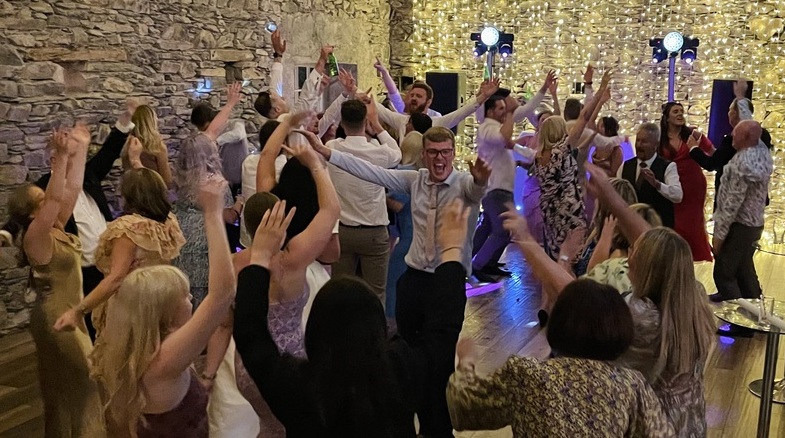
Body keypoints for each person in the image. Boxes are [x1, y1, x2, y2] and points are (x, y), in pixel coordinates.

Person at [234, 198, 474, 437]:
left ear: (316, 331)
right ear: (378, 329)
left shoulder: (299, 388)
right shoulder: (401, 372)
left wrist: (261, 256)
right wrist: (452, 252)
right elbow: (443, 329)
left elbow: (250, 335)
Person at [305, 126, 490, 437]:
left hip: (446, 284)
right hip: (414, 281)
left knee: (440, 358)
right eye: (433, 152)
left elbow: (477, 190)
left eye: (445, 152)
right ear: (424, 155)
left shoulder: (464, 184)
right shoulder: (414, 180)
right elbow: (372, 172)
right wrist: (327, 153)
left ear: (454, 153)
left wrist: (482, 179)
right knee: (407, 354)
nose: (439, 159)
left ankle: (437, 428)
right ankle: (406, 417)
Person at [505, 162, 715, 436]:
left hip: (649, 427)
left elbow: (574, 298)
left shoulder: (642, 318)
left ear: (644, 266)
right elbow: (661, 249)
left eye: (635, 255)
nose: (630, 259)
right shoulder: (695, 300)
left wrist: (526, 241)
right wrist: (610, 196)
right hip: (690, 425)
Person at [91, 176, 235, 437]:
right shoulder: (164, 360)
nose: (191, 299)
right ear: (164, 311)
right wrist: (213, 213)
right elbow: (222, 295)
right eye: (185, 297)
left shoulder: (129, 350)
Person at [446, 280, 675, 438]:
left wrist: (466, 362)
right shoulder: (631, 385)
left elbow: (465, 410)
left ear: (559, 322)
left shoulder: (526, 374)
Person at [8, 125, 106, 438]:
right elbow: (54, 200)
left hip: (69, 310)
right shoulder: (35, 236)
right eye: (42, 198)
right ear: (31, 210)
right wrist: (60, 157)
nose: (52, 197)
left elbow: (71, 189)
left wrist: (79, 152)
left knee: (67, 387)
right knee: (86, 382)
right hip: (54, 317)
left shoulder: (57, 226)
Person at [31, 100, 136, 340]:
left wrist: (126, 118)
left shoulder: (87, 174)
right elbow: (28, 216)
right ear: (54, 159)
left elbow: (109, 153)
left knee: (117, 320)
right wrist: (6, 233)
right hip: (83, 267)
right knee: (89, 325)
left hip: (108, 261)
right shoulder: (42, 188)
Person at [53, 167, 185, 336]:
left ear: (128, 194)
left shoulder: (127, 229)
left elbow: (116, 278)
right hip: (164, 298)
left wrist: (78, 311)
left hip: (134, 303)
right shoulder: (169, 222)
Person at [174, 82, 243, 307]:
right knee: (205, 302)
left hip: (182, 236)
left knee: (184, 296)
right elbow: (228, 217)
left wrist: (230, 103)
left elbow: (211, 132)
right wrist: (240, 204)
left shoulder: (185, 175)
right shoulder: (212, 185)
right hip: (205, 243)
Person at [328, 98, 401, 306]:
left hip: (343, 232)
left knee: (340, 292)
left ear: (342, 123)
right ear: (365, 121)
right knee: (376, 293)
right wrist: (377, 124)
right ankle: (374, 336)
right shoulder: (380, 152)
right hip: (374, 233)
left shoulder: (332, 148)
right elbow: (397, 152)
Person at [709, 121, 773, 324]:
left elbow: (731, 205)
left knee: (724, 273)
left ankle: (740, 321)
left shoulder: (742, 165)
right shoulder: (760, 157)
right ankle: (759, 317)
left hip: (740, 226)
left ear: (746, 138)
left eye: (735, 134)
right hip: (754, 224)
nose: (731, 137)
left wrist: (719, 237)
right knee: (745, 272)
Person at [689, 80, 773, 211]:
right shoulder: (763, 134)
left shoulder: (735, 138)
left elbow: (712, 164)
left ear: (733, 113)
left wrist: (693, 148)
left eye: (729, 110)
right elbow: (726, 158)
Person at [659, 101, 714, 261]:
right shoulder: (660, 139)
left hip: (693, 185)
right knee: (674, 221)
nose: (679, 114)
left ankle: (693, 256)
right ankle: (676, 256)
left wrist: (696, 148)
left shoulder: (693, 135)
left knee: (693, 223)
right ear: (667, 117)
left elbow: (712, 152)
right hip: (672, 185)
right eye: (675, 111)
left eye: (681, 111)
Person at [385, 131, 424, 316]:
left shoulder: (403, 172)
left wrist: (377, 196)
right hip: (419, 238)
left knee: (393, 285)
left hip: (406, 239)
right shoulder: (423, 174)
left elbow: (398, 205)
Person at [617, 123, 683, 228]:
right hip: (631, 228)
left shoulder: (668, 166)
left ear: (655, 145)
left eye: (644, 142)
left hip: (658, 230)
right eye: (638, 140)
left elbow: (678, 196)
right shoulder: (625, 165)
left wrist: (657, 184)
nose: (639, 145)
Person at [121, 104, 173, 186]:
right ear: (151, 122)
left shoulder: (128, 145)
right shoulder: (157, 147)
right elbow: (166, 180)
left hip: (131, 192)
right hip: (152, 193)